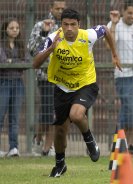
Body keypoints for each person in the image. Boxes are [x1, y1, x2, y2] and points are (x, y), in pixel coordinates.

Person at [33, 8, 121, 177]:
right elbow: (35, 63)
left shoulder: (88, 36)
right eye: (66, 25)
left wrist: (114, 54)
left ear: (79, 25)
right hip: (62, 87)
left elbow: (106, 29)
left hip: (85, 84)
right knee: (60, 131)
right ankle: (60, 164)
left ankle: (89, 140)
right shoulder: (53, 38)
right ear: (61, 25)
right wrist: (51, 49)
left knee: (77, 115)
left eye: (73, 25)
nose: (69, 29)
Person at [106, 0, 133, 155]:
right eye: (129, 13)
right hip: (123, 76)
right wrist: (114, 24)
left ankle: (129, 146)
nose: (132, 16)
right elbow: (108, 46)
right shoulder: (113, 25)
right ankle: (118, 145)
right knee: (129, 111)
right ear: (123, 11)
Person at [28, 0, 66, 157]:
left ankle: (48, 147)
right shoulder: (40, 25)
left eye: (63, 8)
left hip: (63, 77)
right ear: (51, 8)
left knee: (57, 113)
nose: (60, 11)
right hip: (45, 76)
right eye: (57, 8)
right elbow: (31, 49)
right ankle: (37, 138)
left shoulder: (68, 26)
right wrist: (45, 33)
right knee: (46, 113)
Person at [0, 18, 26, 157]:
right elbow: (3, 62)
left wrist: (12, 62)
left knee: (14, 118)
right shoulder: (1, 45)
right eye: (12, 28)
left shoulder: (20, 45)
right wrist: (16, 63)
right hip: (3, 83)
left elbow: (26, 61)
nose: (15, 30)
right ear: (5, 29)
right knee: (0, 116)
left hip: (18, 83)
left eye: (17, 27)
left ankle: (13, 148)